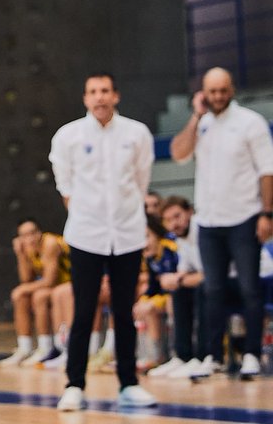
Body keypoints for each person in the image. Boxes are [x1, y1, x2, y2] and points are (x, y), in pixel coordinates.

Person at [49, 72, 157, 411]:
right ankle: (74, 385)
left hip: (126, 234)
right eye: (93, 92)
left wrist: (125, 214)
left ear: (116, 95)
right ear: (85, 98)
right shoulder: (68, 136)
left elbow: (142, 181)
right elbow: (64, 186)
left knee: (125, 312)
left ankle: (128, 383)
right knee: (84, 312)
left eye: (105, 91)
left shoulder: (137, 133)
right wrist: (86, 212)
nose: (100, 97)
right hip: (86, 236)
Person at [169, 66, 273, 381]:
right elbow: (178, 154)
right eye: (211, 91)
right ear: (203, 93)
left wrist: (267, 213)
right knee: (211, 289)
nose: (217, 97)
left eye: (222, 90)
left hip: (244, 219)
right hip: (210, 223)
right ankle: (213, 355)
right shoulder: (201, 125)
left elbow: (267, 170)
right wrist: (195, 118)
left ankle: (252, 354)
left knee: (249, 289)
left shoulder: (250, 123)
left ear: (232, 90)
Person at [0, 218, 72, 367]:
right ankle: (24, 348)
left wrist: (22, 289)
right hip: (56, 287)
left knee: (38, 296)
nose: (30, 238)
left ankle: (46, 347)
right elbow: (26, 279)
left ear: (39, 233)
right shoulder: (28, 249)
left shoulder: (49, 243)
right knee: (22, 298)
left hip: (71, 283)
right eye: (24, 235)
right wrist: (21, 255)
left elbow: (50, 280)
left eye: (32, 233)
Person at [149, 196, 207, 377]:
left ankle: (203, 356)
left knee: (203, 290)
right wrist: (172, 279)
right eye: (168, 220)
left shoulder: (203, 230)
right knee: (179, 290)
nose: (174, 224)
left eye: (177, 216)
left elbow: (209, 275)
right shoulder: (181, 238)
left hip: (240, 282)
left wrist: (180, 279)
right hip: (207, 284)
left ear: (189, 212)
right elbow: (184, 271)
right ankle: (182, 356)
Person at [133, 215, 179, 369]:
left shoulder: (170, 248)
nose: (144, 243)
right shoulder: (151, 257)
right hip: (165, 296)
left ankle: (175, 354)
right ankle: (152, 355)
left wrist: (151, 302)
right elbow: (153, 287)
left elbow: (175, 282)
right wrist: (143, 300)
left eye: (147, 236)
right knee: (142, 306)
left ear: (158, 234)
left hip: (180, 294)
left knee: (152, 307)